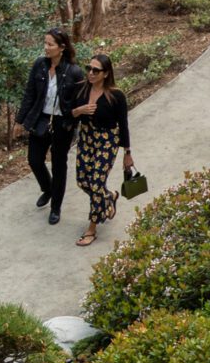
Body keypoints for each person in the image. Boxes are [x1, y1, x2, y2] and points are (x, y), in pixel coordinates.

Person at [14, 30, 83, 225]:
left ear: (62, 48)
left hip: (62, 123)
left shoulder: (74, 71)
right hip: (40, 119)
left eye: (50, 44)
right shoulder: (40, 65)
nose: (46, 47)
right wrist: (20, 121)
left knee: (59, 165)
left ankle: (55, 208)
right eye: (45, 43)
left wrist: (72, 125)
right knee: (34, 160)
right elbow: (29, 94)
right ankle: (48, 188)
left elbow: (79, 102)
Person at [68, 53, 133, 248]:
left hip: (107, 140)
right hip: (86, 138)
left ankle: (92, 229)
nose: (91, 73)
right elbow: (69, 113)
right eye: (89, 68)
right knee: (82, 181)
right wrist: (80, 111)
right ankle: (108, 197)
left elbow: (123, 124)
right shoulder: (81, 90)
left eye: (96, 70)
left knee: (96, 181)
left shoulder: (116, 95)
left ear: (106, 73)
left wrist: (127, 153)